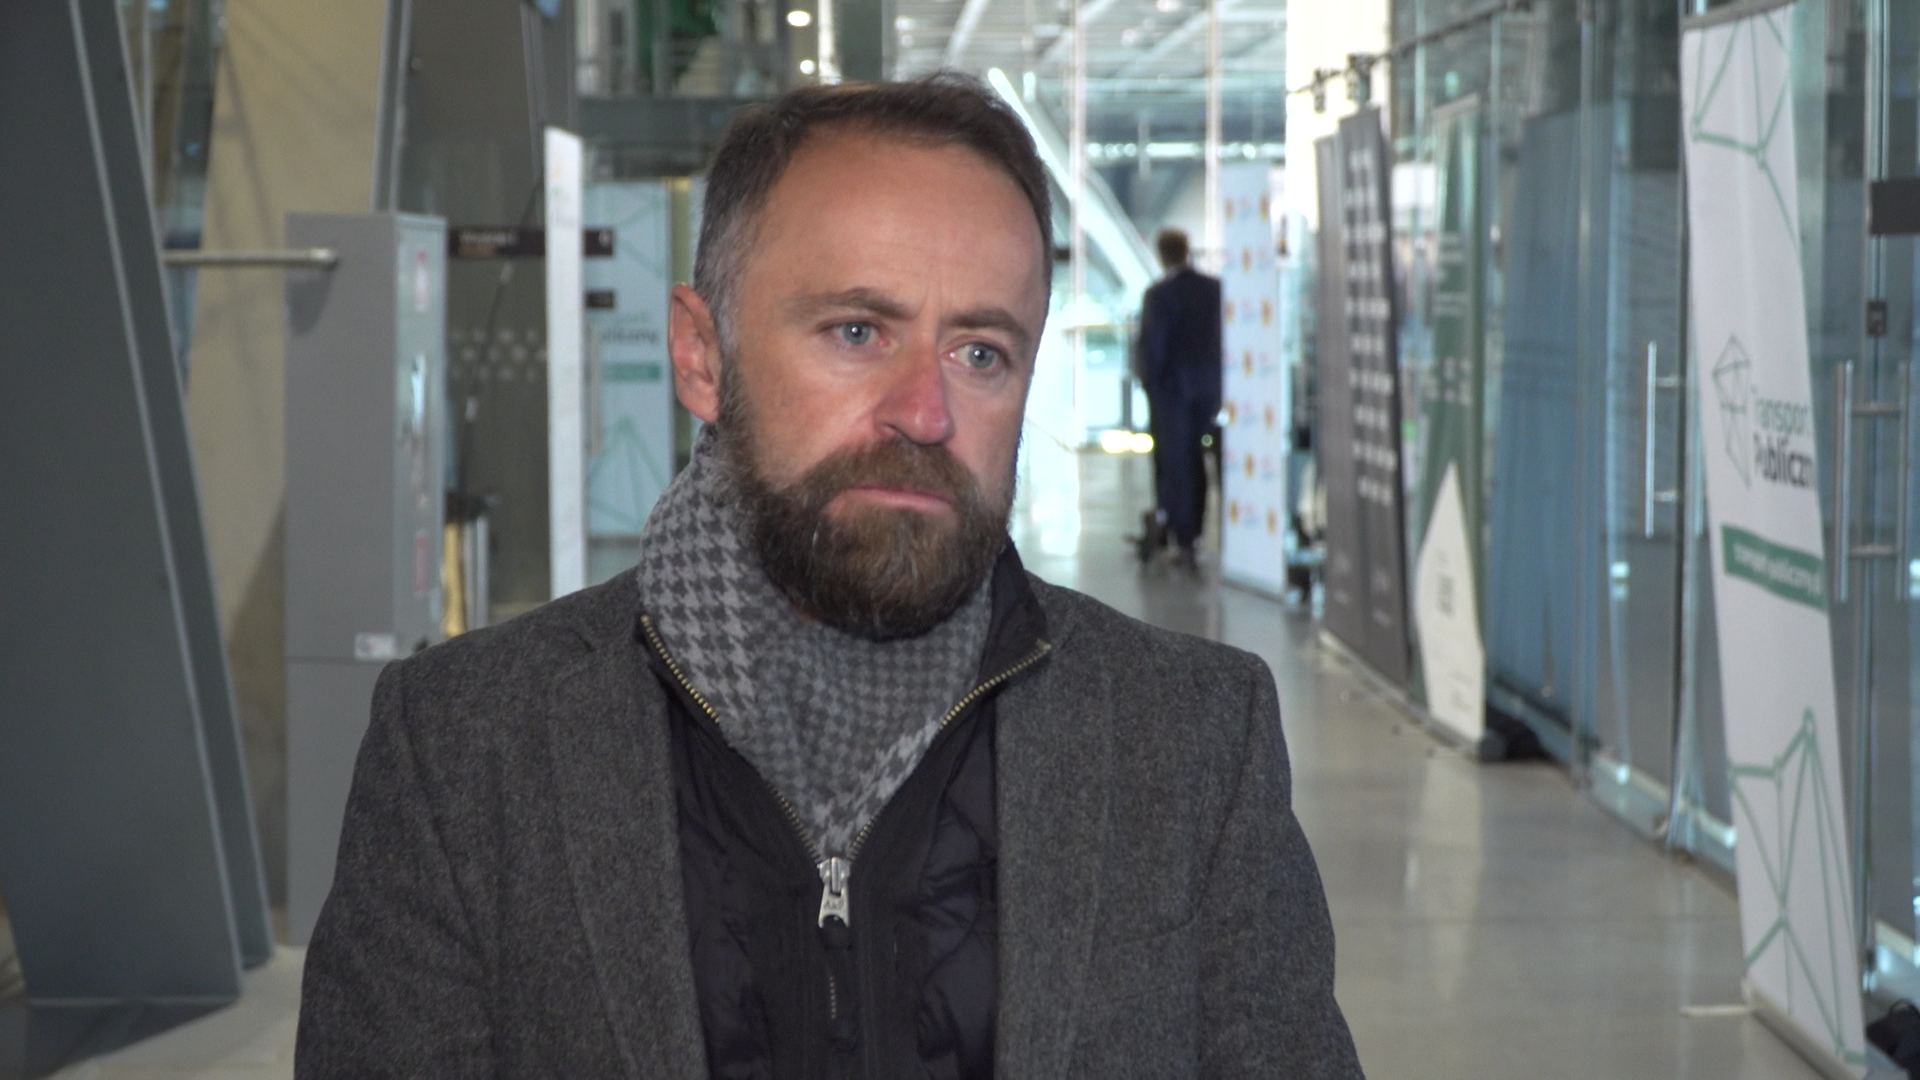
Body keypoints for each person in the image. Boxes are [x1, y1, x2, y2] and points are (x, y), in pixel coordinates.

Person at [296, 74, 1360, 1079]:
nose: (927, 412)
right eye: (858, 332)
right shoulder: (467, 749)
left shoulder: (1191, 740)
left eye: (980, 353)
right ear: (701, 356)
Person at [1137, 227, 1223, 567]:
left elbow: (1154, 348)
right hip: (1211, 390)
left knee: (1178, 465)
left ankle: (1184, 540)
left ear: (1162, 255)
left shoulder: (1159, 295)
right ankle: (1201, 534)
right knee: (1205, 464)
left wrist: (1150, 384)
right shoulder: (1214, 289)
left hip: (1173, 394)